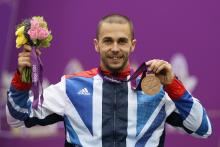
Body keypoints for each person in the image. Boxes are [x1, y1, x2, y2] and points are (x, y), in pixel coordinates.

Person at [6, 14, 212, 147]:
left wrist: (172, 85)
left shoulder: (158, 90)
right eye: (108, 41)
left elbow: (203, 129)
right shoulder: (71, 87)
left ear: (132, 45)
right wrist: (23, 78)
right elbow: (18, 117)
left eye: (122, 41)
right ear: (96, 45)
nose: (115, 48)